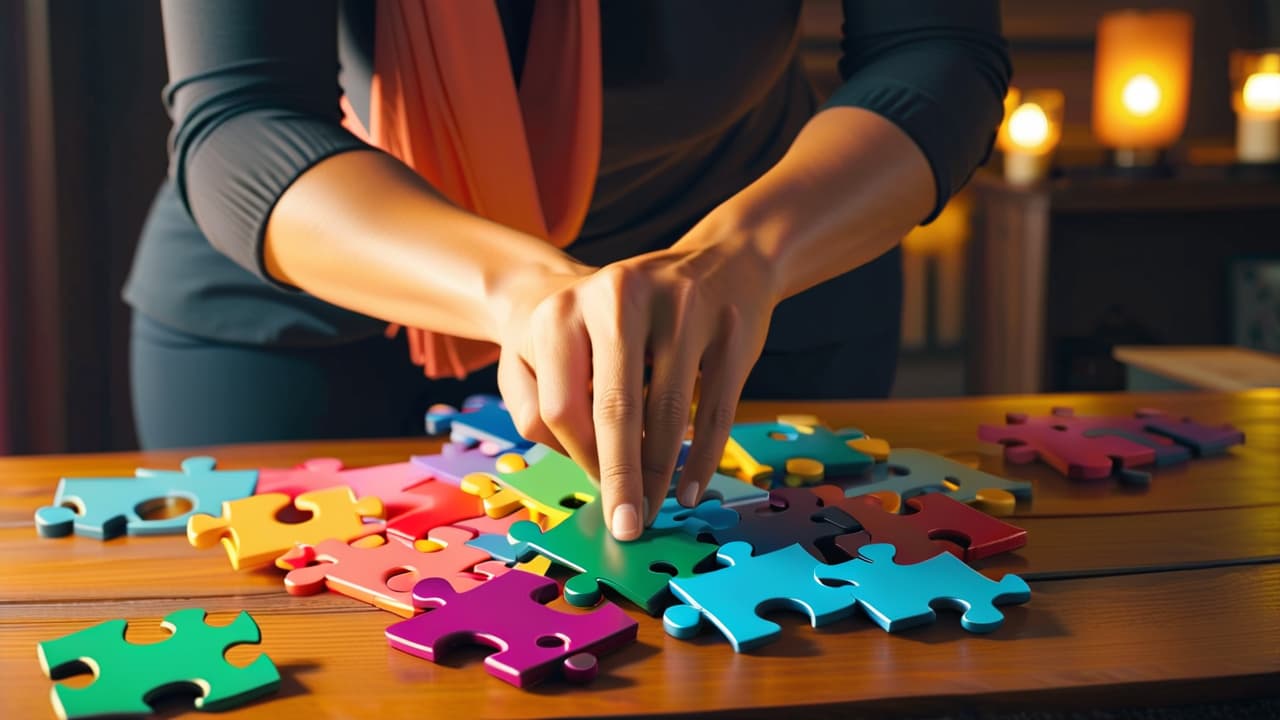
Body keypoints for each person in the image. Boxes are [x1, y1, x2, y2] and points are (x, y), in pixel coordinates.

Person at [124, 1, 1010, 541]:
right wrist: (526, 294)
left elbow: (937, 50)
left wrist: (739, 257)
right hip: (315, 282)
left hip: (757, 276)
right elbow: (242, 115)